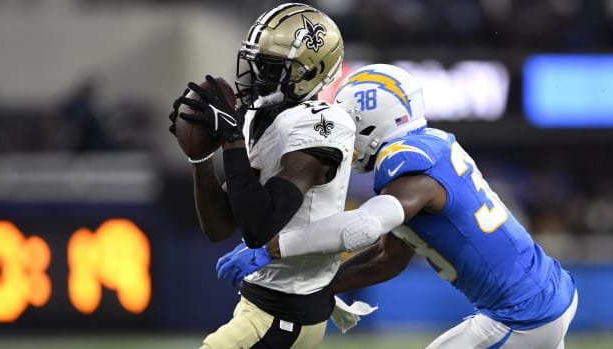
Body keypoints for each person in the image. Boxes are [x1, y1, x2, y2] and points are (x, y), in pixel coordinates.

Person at [216, 63, 579, 348]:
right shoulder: (429, 147)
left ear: (367, 122)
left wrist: (273, 248)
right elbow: (388, 256)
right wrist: (325, 286)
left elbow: (365, 226)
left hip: (520, 316)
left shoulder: (406, 164)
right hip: (550, 294)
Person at [168, 3, 355, 348]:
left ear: (312, 73)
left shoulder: (322, 124)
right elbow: (219, 226)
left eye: (271, 70)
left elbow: (259, 227)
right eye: (256, 65)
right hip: (261, 303)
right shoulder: (259, 117)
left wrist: (231, 139)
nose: (257, 77)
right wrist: (202, 155)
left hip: (287, 312)